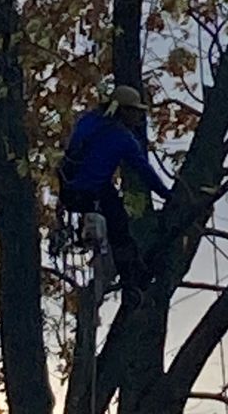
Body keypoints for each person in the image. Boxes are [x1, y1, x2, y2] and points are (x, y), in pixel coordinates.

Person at [59, 82, 169, 302]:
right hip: (92, 194)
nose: (138, 118)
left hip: (69, 190)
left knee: (112, 209)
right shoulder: (123, 139)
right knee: (120, 230)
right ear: (125, 111)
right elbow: (144, 171)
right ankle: (132, 279)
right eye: (136, 112)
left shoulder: (88, 120)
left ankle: (126, 269)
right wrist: (167, 195)